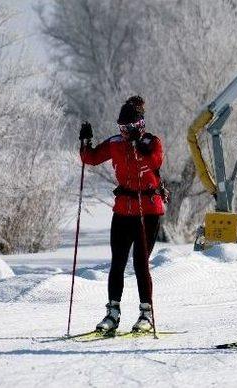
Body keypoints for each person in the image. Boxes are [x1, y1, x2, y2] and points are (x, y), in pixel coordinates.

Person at [79, 96, 166, 333]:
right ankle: (112, 313)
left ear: (139, 125)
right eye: (121, 128)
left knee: (140, 263)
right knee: (117, 262)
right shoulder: (116, 143)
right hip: (123, 210)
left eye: (129, 128)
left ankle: (146, 314)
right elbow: (91, 158)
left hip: (147, 210)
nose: (124, 132)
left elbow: (156, 160)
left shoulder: (152, 142)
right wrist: (86, 141)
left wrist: (141, 148)